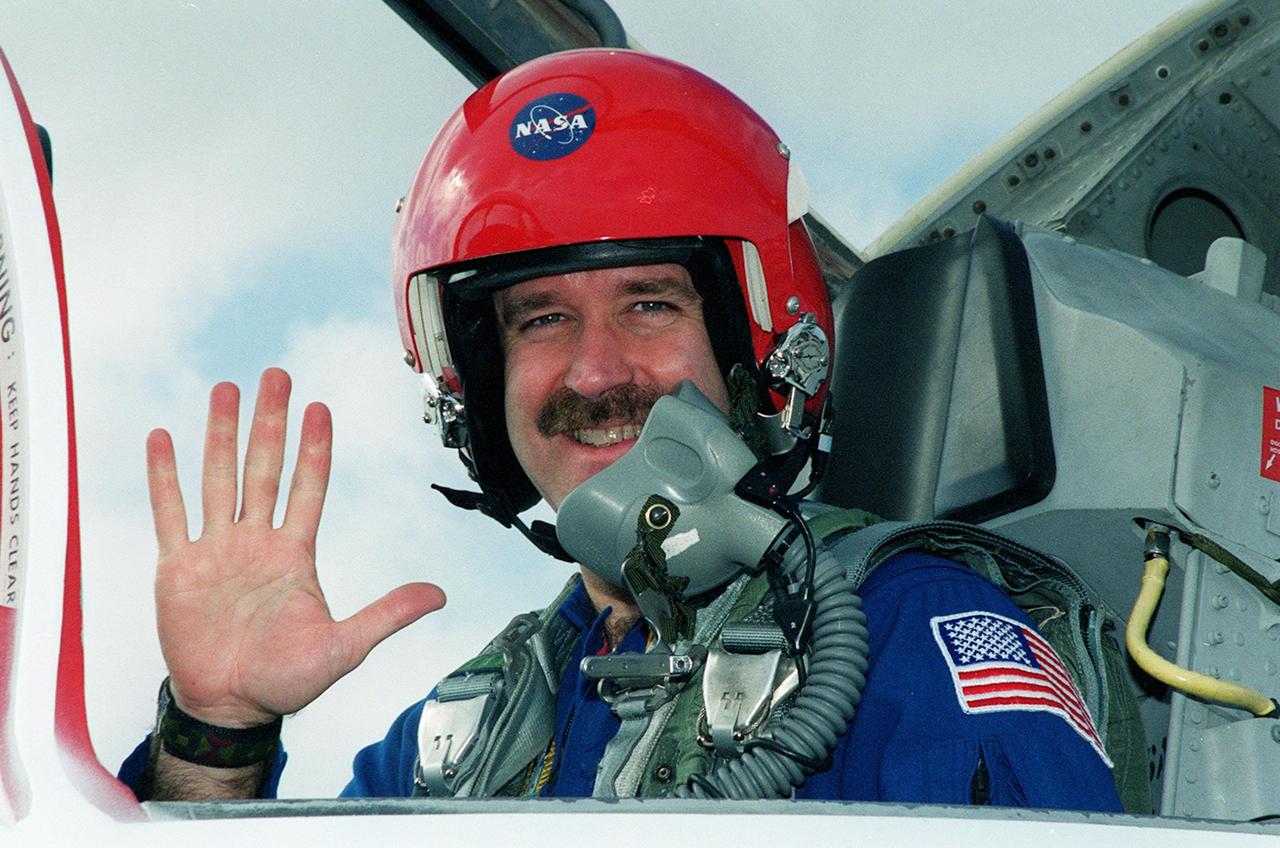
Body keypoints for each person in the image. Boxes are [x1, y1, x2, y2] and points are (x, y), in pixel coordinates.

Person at [120, 49, 1122, 810]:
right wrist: (220, 730)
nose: (595, 371)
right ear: (478, 385)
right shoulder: (470, 731)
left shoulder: (909, 630)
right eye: (541, 319)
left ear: (756, 347)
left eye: (647, 305)